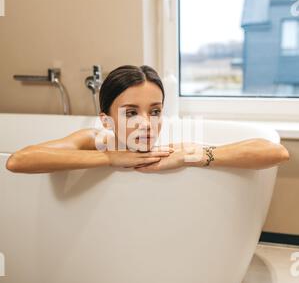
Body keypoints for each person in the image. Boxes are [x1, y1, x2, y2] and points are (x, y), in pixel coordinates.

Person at [6, 65, 290, 174]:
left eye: (155, 111)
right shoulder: (94, 141)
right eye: (131, 113)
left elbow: (276, 152)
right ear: (105, 120)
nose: (147, 123)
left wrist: (197, 156)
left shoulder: (172, 148)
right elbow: (19, 161)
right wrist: (110, 159)